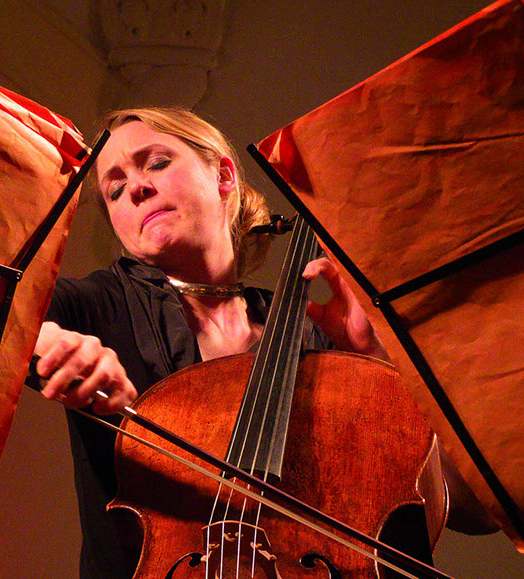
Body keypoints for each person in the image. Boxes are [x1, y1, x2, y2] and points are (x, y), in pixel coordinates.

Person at [32, 107, 494, 577]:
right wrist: (51, 341)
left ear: (223, 175)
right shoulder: (96, 304)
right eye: (114, 189)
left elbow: (474, 511)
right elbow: (8, 316)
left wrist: (378, 361)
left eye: (156, 163)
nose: (136, 188)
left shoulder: (315, 337)